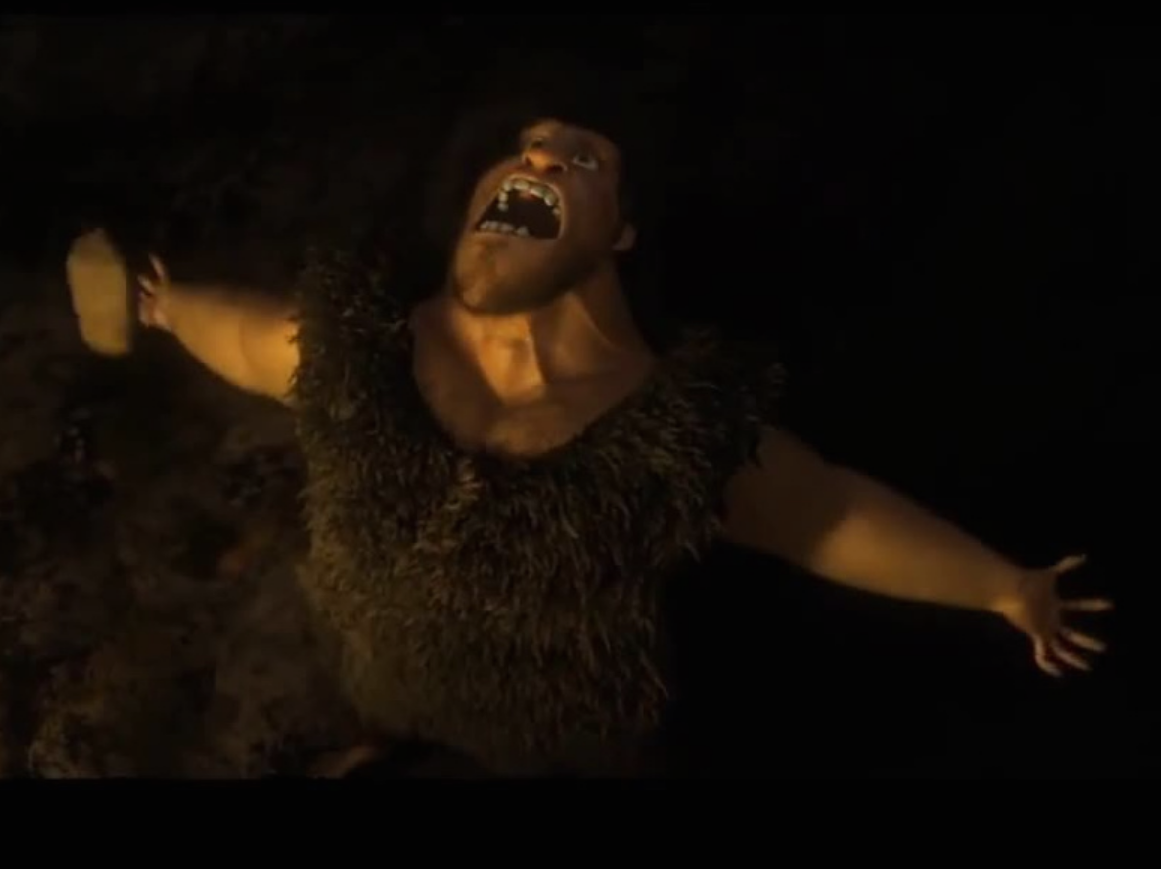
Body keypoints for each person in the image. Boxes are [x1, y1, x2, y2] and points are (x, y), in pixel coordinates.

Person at [96, 116, 1115, 777]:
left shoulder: (671, 437)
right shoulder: (360, 352)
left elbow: (828, 516)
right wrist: (161, 306)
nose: (539, 159)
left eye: (579, 160)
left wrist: (1001, 588)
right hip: (374, 677)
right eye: (527, 147)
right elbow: (249, 341)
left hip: (559, 749)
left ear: (620, 232)